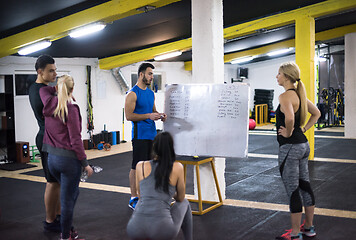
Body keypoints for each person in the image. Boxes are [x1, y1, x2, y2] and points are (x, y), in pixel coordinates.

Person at [40, 75, 93, 240]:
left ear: (57, 88)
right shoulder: (71, 109)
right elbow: (76, 140)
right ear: (72, 89)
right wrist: (85, 164)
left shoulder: (49, 105)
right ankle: (65, 237)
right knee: (68, 200)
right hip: (68, 162)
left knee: (70, 194)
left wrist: (60, 89)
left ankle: (68, 230)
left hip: (52, 160)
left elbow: (43, 89)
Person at [275, 62, 321, 240]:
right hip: (303, 145)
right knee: (305, 185)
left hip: (290, 148)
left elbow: (290, 118)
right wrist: (304, 129)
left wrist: (288, 131)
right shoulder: (300, 95)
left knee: (293, 190)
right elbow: (316, 113)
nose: (277, 77)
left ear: (286, 76)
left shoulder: (285, 96)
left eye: (278, 74)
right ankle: (309, 228)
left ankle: (295, 234)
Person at [126, 131, 193, 240]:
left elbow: (141, 194)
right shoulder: (177, 167)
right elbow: (180, 197)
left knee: (141, 202)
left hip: (134, 229)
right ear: (171, 148)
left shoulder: (140, 165)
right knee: (185, 202)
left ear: (154, 147)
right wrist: (170, 192)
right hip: (162, 230)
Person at [125, 63, 167, 210]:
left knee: (149, 166)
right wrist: (148, 115)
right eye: (149, 74)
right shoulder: (132, 94)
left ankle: (147, 196)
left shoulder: (150, 93)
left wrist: (160, 115)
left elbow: (152, 111)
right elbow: (129, 116)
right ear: (141, 74)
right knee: (137, 167)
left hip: (151, 134)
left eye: (152, 74)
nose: (151, 77)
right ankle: (134, 197)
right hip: (139, 135)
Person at [29, 54, 61, 232]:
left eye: (55, 70)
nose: (55, 73)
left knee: (57, 181)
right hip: (46, 139)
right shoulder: (38, 90)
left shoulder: (45, 88)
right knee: (52, 181)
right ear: (40, 72)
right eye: (51, 70)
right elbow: (50, 112)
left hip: (52, 139)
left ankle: (58, 216)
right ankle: (50, 222)